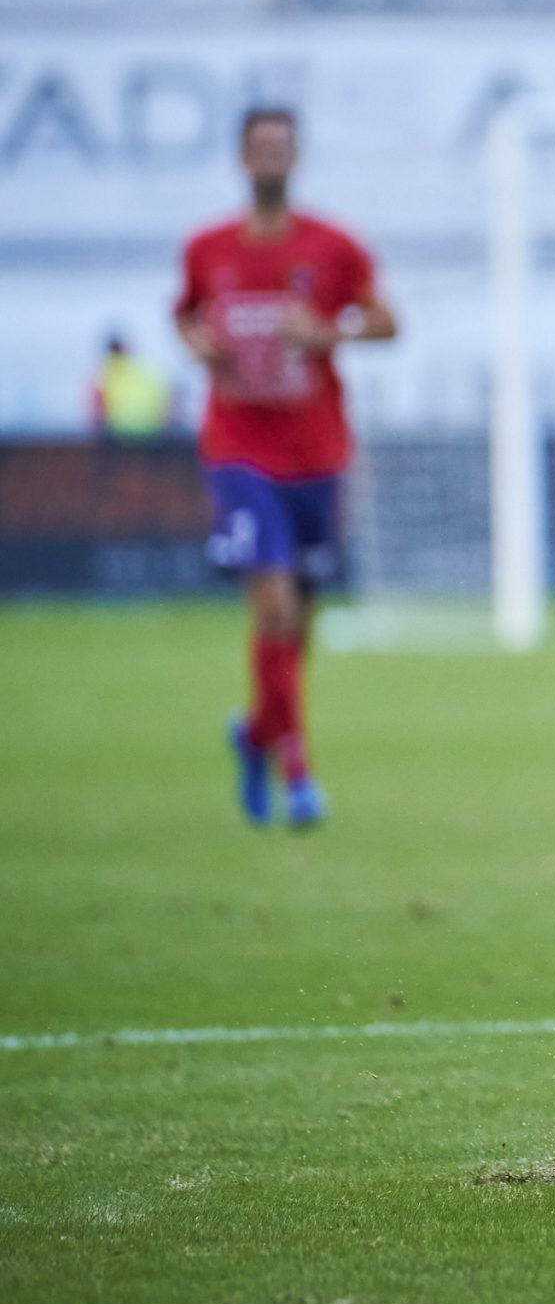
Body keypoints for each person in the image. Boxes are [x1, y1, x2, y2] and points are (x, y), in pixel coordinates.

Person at [175, 107, 398, 826]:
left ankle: (254, 735)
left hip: (317, 453)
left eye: (281, 147)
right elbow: (186, 315)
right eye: (260, 147)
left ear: (295, 157)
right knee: (271, 601)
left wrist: (330, 331)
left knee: (296, 620)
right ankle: (298, 775)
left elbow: (386, 321)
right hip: (239, 448)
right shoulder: (207, 247)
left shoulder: (333, 245)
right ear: (242, 158)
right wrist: (200, 344)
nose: (271, 158)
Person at [89, 333, 174, 439]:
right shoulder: (145, 367)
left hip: (120, 431)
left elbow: (98, 406)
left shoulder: (105, 372)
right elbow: (167, 397)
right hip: (152, 430)